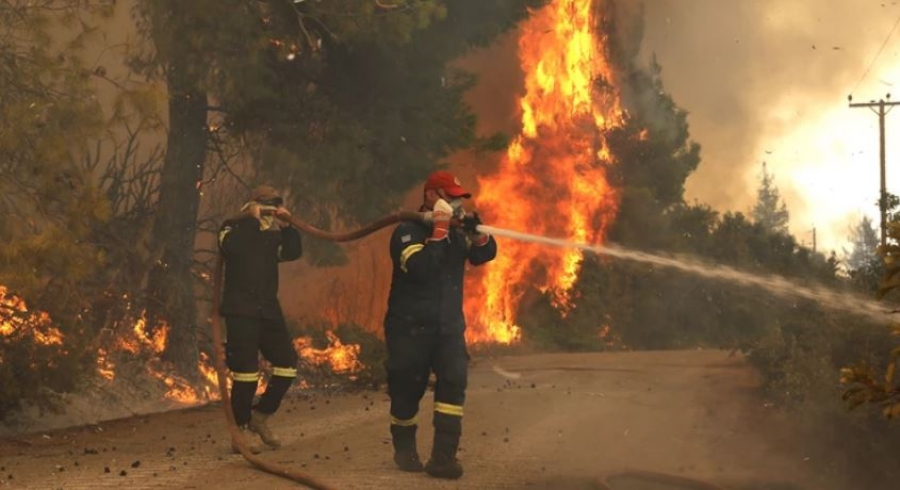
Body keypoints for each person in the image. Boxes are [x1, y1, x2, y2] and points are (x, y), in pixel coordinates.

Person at [383, 170, 497, 479]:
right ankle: (404, 449)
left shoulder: (455, 231)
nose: (457, 203)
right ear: (431, 197)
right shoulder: (407, 231)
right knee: (407, 392)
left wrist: (478, 233)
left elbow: (486, 254)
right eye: (451, 197)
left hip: (448, 329)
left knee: (454, 382)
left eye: (460, 198)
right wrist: (439, 231)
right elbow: (421, 269)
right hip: (409, 329)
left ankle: (443, 458)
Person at [217, 185, 302, 454]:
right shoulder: (232, 227)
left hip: (267, 310)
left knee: (287, 363)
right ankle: (240, 431)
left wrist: (287, 227)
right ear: (253, 204)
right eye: (266, 204)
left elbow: (292, 252)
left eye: (275, 203)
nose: (270, 208)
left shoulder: (270, 236)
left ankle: (261, 416)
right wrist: (251, 220)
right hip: (241, 311)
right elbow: (233, 249)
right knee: (245, 374)